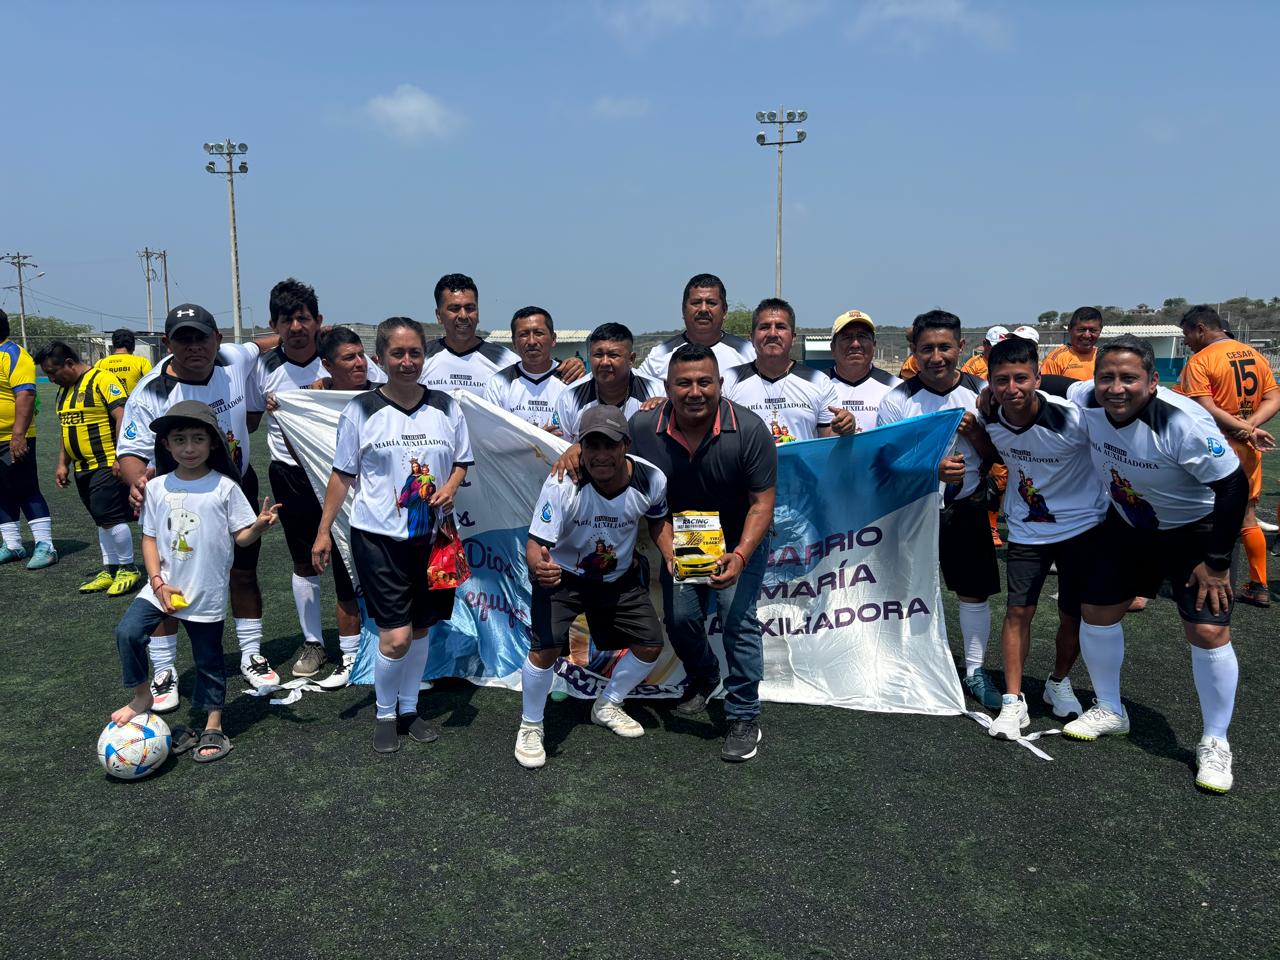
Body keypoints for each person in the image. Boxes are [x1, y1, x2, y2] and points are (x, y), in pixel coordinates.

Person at [1052, 335, 1246, 794]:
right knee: (1096, 610)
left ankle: (1215, 740)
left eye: (1129, 378)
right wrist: (992, 390)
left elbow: (1233, 486)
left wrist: (1217, 563)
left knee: (1207, 631)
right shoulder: (1088, 397)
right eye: (1107, 377)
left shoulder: (1182, 423)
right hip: (1129, 524)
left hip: (1195, 532)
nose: (1116, 388)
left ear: (1153, 381)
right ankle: (1110, 708)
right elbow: (1054, 383)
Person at [312, 316, 472, 754]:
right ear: (379, 358)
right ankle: (385, 713)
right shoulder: (361, 409)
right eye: (397, 353)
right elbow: (342, 475)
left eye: (415, 353)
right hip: (378, 539)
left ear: (424, 357)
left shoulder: (446, 407)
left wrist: (451, 486)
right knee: (395, 636)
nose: (407, 361)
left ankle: (409, 709)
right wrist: (323, 532)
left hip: (434, 539)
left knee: (420, 630)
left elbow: (461, 461)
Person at [116, 303, 284, 705]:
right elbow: (130, 451)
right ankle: (164, 671)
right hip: (176, 495)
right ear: (166, 343)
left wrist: (301, 333)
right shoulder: (151, 391)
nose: (194, 346)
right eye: (183, 339)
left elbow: (262, 345)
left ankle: (251, 653)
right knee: (169, 581)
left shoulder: (233, 359)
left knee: (243, 572)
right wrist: (138, 481)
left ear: (218, 339)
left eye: (201, 337)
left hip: (234, 485)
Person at [629, 343, 778, 762]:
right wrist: (668, 553)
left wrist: (741, 555)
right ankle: (705, 674)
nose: (695, 392)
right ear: (666, 387)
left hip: (739, 538)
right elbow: (650, 503)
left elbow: (762, 504)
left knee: (736, 619)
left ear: (720, 384)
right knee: (680, 620)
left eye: (704, 382)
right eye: (684, 383)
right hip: (683, 538)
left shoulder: (750, 430)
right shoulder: (642, 427)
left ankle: (744, 715)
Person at [110, 401, 281, 763]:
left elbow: (241, 538)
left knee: (209, 661)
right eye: (180, 439)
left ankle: (213, 724)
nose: (189, 448)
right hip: (162, 588)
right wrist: (157, 582)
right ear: (166, 445)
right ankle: (142, 696)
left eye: (198, 439)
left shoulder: (225, 487)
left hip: (205, 591)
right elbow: (150, 538)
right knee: (128, 632)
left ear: (213, 442)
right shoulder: (157, 487)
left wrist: (258, 526)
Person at [517, 405, 673, 769]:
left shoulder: (651, 479)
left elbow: (658, 519)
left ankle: (607, 703)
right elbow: (536, 543)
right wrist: (539, 567)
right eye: (592, 445)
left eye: (610, 445)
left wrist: (670, 554)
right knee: (545, 649)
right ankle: (530, 725)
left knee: (650, 644)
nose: (601, 455)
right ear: (580, 447)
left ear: (626, 446)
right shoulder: (563, 482)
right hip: (564, 575)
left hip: (616, 578)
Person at [877, 310, 1003, 710]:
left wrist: (976, 434)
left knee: (973, 592)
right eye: (927, 348)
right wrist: (932, 470)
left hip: (966, 508)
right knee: (906, 591)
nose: (936, 357)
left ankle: (976, 670)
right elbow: (885, 464)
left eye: (944, 347)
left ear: (961, 347)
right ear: (913, 350)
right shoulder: (897, 400)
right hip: (914, 512)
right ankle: (906, 664)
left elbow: (1001, 454)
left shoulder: (982, 392)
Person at [981, 335, 1103, 739]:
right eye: (1001, 380)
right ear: (990, 383)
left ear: (1037, 378)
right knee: (1018, 612)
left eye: (1021, 378)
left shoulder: (1073, 418)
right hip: (1027, 528)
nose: (1011, 389)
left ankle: (1058, 682)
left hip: (1081, 527)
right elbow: (990, 451)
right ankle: (1013, 701)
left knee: (1073, 613)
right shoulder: (989, 415)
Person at [249, 279, 371, 683]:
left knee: (352, 557)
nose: (297, 327)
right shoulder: (262, 368)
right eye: (287, 320)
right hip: (290, 473)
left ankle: (360, 643)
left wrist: (329, 387)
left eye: (303, 318)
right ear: (274, 325)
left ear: (318, 320)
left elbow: (378, 392)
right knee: (305, 560)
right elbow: (249, 421)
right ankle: (314, 642)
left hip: (344, 474)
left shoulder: (337, 358)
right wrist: (273, 408)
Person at [1176, 304, 1279, 608]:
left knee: (1201, 515)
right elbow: (1274, 397)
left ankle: (1200, 577)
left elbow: (1204, 408)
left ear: (1200, 329)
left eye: (1187, 334)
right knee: (1247, 517)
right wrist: (1250, 427)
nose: (1186, 341)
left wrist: (1242, 429)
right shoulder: (1254, 355)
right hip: (1248, 447)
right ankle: (1259, 585)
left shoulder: (1201, 361)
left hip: (1214, 447)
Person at [33, 341, 140, 596]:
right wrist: (62, 463)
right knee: (101, 520)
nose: (51, 378)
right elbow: (66, 428)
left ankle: (129, 568)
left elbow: (122, 416)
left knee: (110, 516)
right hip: (82, 467)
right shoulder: (64, 391)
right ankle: (111, 569)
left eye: (53, 372)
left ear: (69, 363)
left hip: (106, 462)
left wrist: (121, 455)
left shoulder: (102, 379)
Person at [419, 273, 583, 395]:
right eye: (454, 308)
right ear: (438, 315)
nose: (463, 315)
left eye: (470, 308)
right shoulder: (420, 359)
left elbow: (541, 371)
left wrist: (573, 365)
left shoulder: (504, 359)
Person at [721, 298, 853, 441]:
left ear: (793, 338)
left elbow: (828, 439)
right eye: (764, 327)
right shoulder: (730, 379)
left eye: (781, 327)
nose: (772, 334)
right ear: (751, 337)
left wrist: (846, 427)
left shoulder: (818, 381)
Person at [0, 309, 56, 568]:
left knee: (25, 488)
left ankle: (46, 546)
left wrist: (18, 435)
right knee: (1, 491)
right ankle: (12, 545)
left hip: (12, 437)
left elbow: (25, 394)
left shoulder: (13, 354)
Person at [554, 323, 664, 443]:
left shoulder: (657, 391)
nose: (604, 362)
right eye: (598, 355)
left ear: (631, 359)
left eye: (613, 355)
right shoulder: (570, 396)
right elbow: (560, 447)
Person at [637, 273, 756, 381]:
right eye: (696, 303)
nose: (703, 309)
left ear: (724, 311)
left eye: (711, 303)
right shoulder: (659, 355)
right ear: (683, 310)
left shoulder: (749, 352)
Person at [482, 306, 571, 431]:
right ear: (514, 342)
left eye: (539, 333)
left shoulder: (570, 378)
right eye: (523, 334)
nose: (532, 341)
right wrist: (539, 438)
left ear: (553, 339)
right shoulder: (498, 383)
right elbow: (492, 434)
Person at [825, 309, 901, 434]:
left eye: (863, 337)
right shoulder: (815, 385)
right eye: (846, 337)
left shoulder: (896, 387)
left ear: (874, 345)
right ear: (832, 347)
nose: (855, 344)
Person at [1040, 307, 1102, 381]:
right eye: (1081, 330)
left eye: (1093, 330)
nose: (1087, 335)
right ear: (1069, 329)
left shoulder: (1104, 357)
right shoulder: (1056, 360)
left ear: (1100, 331)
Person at [94, 328, 153, 396]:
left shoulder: (100, 363)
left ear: (113, 344)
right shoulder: (142, 362)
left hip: (109, 402)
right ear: (133, 345)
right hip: (133, 401)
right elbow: (152, 385)